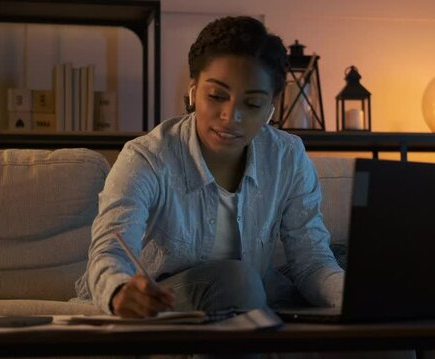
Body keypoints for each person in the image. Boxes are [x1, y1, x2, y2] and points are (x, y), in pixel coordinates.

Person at [75, 16, 344, 318]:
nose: (231, 116)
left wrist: (356, 296)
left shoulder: (287, 156)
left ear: (270, 108)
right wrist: (119, 289)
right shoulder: (148, 157)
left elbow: (312, 261)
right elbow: (109, 251)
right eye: (216, 96)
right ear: (194, 90)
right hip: (161, 303)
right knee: (238, 281)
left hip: (250, 302)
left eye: (252, 104)